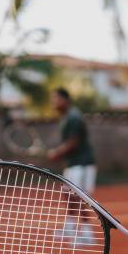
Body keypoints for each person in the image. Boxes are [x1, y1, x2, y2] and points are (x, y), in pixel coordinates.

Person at [48, 87, 97, 245]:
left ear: (65, 100)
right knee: (68, 195)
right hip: (72, 164)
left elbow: (73, 142)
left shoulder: (74, 117)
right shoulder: (67, 117)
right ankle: (69, 227)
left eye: (56, 98)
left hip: (82, 164)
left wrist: (57, 152)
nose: (53, 102)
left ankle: (87, 235)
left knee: (79, 196)